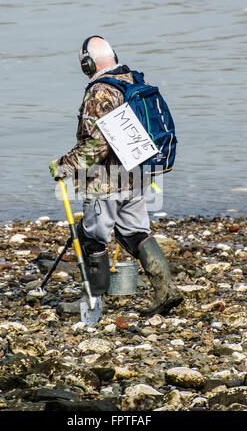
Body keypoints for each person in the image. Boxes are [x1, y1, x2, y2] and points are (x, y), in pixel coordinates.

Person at [49, 35, 183, 316]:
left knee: (92, 238)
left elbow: (96, 147)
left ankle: (92, 304)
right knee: (135, 233)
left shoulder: (99, 92)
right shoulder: (132, 79)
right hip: (137, 175)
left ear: (88, 63)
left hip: (104, 182)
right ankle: (166, 291)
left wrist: (63, 165)